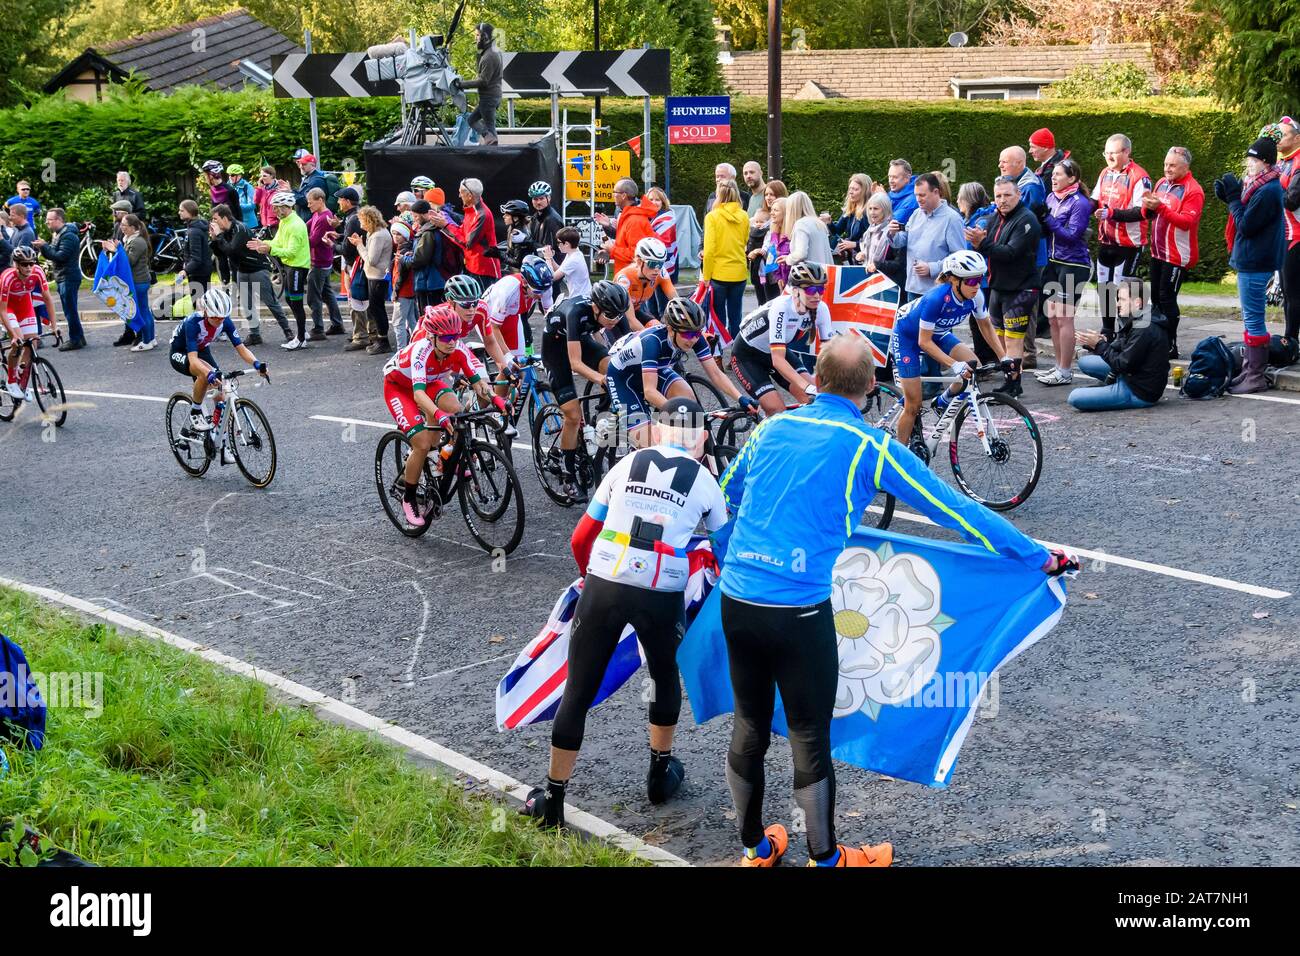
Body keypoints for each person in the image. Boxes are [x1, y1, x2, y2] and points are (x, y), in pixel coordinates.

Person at [717, 332, 1074, 868]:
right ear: (868, 389)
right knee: (809, 732)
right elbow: (952, 509)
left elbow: (726, 496)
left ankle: (754, 849)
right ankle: (827, 858)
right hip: (799, 610)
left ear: (814, 377)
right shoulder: (869, 444)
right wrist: (1036, 555)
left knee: (749, 724)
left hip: (738, 599)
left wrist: (736, 560)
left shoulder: (771, 427)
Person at [521, 397, 730, 829]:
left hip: (607, 581)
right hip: (662, 589)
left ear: (657, 430)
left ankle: (553, 799)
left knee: (578, 689)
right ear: (702, 438)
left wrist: (589, 578)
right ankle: (660, 772)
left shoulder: (627, 463)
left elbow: (582, 536)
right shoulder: (708, 481)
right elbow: (724, 554)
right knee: (664, 676)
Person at [382, 305, 506, 525]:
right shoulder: (421, 351)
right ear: (432, 337)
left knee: (457, 411)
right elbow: (418, 395)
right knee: (421, 443)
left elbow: (478, 383)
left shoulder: (457, 348)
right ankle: (409, 497)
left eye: (455, 336)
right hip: (400, 388)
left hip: (430, 382)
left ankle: (446, 457)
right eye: (446, 337)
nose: (452, 341)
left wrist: (497, 400)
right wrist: (438, 415)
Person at [889, 251, 1007, 448]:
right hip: (908, 337)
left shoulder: (976, 296)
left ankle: (942, 401)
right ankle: (899, 458)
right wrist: (954, 365)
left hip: (938, 332)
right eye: (970, 281)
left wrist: (1004, 357)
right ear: (953, 280)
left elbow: (985, 325)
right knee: (913, 404)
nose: (976, 285)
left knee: (973, 367)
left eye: (979, 279)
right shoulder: (936, 298)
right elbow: (924, 342)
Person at [605, 297, 752, 445]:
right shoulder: (652, 342)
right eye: (687, 334)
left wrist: (740, 398)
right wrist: (677, 412)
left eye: (697, 333)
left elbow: (715, 373)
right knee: (648, 445)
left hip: (655, 370)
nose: (693, 339)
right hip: (623, 378)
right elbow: (649, 391)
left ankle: (673, 442)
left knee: (687, 397)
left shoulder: (695, 337)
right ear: (670, 328)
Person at [539, 281, 637, 500]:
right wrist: (601, 379)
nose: (615, 320)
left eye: (619, 315)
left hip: (580, 340)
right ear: (596, 308)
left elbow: (624, 348)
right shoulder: (576, 312)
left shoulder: (611, 314)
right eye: (611, 315)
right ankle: (568, 472)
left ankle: (601, 414)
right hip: (556, 350)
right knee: (573, 415)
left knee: (614, 367)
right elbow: (574, 363)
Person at [1215, 136, 1285, 394]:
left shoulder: (1268, 190)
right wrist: (1229, 198)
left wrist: (1233, 198)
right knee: (1250, 319)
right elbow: (1244, 216)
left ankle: (1255, 375)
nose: (1249, 164)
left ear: (1265, 162)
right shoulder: (1261, 186)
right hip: (1253, 259)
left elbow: (1246, 225)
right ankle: (1248, 370)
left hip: (1256, 261)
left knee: (1254, 320)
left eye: (1253, 159)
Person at [169, 287, 269, 450]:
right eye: (215, 317)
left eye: (222, 318)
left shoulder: (225, 322)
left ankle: (220, 442)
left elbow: (242, 349)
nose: (218, 321)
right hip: (181, 352)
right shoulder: (193, 323)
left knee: (221, 393)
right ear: (206, 311)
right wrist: (207, 374)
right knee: (205, 375)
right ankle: (195, 411)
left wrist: (257, 364)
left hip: (202, 350)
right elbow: (193, 361)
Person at [968, 176, 1042, 397]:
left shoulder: (1027, 220)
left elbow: (1010, 253)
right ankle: (1009, 380)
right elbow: (989, 251)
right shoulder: (993, 219)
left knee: (1013, 339)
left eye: (1008, 195)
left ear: (1018, 195)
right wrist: (979, 244)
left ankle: (1014, 384)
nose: (1003, 200)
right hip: (998, 286)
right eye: (998, 196)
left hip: (1021, 288)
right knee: (999, 339)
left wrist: (983, 244)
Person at [731, 261, 834, 418]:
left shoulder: (821, 309)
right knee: (776, 409)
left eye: (820, 289)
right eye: (811, 289)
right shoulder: (781, 308)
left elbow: (828, 355)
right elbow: (778, 361)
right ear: (795, 291)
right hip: (747, 356)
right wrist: (806, 385)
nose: (817, 295)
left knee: (814, 400)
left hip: (774, 351)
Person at [1069, 280, 1169, 411]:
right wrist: (1102, 342)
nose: (1117, 304)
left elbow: (1122, 364)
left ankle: (1116, 389)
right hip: (1134, 375)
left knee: (1074, 397)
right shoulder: (1141, 316)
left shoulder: (1143, 328)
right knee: (1084, 362)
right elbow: (1126, 346)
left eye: (1121, 299)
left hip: (1139, 391)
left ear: (1137, 302)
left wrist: (1099, 345)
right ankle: (1112, 385)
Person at [1142, 147, 1204, 359]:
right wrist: (1147, 207)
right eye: (1165, 164)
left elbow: (1187, 222)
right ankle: (1158, 342)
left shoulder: (1193, 190)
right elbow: (1151, 214)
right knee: (1156, 299)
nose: (1167, 169)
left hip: (1178, 254)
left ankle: (1171, 344)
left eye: (1172, 165)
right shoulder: (1161, 183)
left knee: (1167, 298)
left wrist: (1160, 208)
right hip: (1158, 251)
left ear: (1185, 166)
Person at [1035, 159, 1092, 386]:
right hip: (1053, 262)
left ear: (1072, 178)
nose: (1054, 178)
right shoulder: (1050, 198)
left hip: (1074, 264)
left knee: (1064, 318)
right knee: (1052, 318)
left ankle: (1066, 370)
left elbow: (1071, 235)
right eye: (1053, 174)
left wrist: (1047, 218)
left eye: (1059, 174)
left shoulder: (1080, 202)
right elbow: (1047, 232)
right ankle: (1058, 367)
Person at [1092, 134, 1151, 340]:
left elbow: (1141, 211)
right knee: (1104, 289)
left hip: (1128, 244)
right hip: (1105, 241)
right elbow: (1094, 200)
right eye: (1106, 153)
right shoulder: (1105, 173)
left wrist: (1112, 213)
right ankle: (1107, 331)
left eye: (1113, 153)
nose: (1108, 157)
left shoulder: (1139, 176)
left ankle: (1128, 334)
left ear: (1127, 152)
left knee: (1123, 292)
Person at [210, 203, 291, 347]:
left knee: (270, 302)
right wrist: (215, 240)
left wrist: (220, 236)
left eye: (215, 219)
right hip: (242, 270)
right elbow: (220, 254)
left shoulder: (240, 228)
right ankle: (255, 334)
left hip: (257, 269)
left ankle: (288, 331)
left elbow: (232, 250)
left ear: (224, 218)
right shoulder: (225, 232)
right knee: (247, 305)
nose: (213, 222)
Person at [998, 146, 1048, 369]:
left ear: (1019, 163)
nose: (1000, 165)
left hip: (1031, 254)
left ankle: (1027, 352)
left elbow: (1022, 218)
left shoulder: (1031, 186)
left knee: (1026, 303)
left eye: (1004, 162)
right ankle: (1014, 351)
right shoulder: (1014, 182)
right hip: (1018, 253)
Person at [248, 191, 310, 350]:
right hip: (290, 266)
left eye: (276, 208)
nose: (274, 211)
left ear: (286, 207)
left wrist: (269, 248)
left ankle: (301, 338)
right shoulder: (285, 221)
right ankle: (302, 331)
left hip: (297, 267)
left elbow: (291, 252)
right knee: (290, 300)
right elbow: (278, 243)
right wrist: (264, 244)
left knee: (296, 302)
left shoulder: (296, 225)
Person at [891, 172, 967, 301]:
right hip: (913, 287)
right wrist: (892, 234)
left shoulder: (952, 219)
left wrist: (932, 268)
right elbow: (901, 241)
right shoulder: (916, 214)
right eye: (916, 195)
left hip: (938, 291)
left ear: (936, 192)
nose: (918, 199)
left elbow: (959, 257)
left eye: (922, 195)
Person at [2, 247, 56, 400]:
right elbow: (3, 310)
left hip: (25, 306)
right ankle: (11, 381)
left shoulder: (38, 272)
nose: (28, 267)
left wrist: (54, 326)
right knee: (18, 342)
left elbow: (47, 299)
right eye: (24, 264)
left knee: (33, 342)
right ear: (16, 264)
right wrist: (13, 335)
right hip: (8, 308)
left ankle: (22, 381)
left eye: (31, 263)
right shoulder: (7, 277)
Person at [701, 180, 750, 337]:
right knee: (736, 317)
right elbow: (744, 241)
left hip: (718, 274)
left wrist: (706, 277)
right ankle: (737, 356)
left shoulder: (712, 217)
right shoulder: (744, 216)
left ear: (718, 194)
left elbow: (709, 251)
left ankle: (718, 354)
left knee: (718, 319)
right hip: (739, 272)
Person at [33, 208, 85, 351]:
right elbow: (55, 253)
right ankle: (79, 337)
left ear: (58, 220)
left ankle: (75, 339)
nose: (46, 222)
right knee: (70, 309)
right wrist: (45, 247)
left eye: (49, 220)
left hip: (68, 276)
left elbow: (60, 256)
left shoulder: (68, 236)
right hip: (64, 276)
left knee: (70, 310)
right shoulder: (59, 234)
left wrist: (44, 246)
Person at [433, 178, 500, 290]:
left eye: (461, 192)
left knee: (481, 304)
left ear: (470, 196)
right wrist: (447, 223)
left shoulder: (482, 215)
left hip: (483, 269)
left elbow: (467, 243)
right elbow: (462, 232)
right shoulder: (472, 210)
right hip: (472, 265)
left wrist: (445, 225)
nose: (459, 195)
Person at [351, 205, 394, 354]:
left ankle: (383, 341)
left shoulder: (378, 235)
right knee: (376, 309)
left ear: (369, 220)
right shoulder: (374, 233)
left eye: (362, 220)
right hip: (375, 276)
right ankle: (380, 339)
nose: (360, 224)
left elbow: (372, 260)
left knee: (378, 309)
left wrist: (359, 246)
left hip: (378, 277)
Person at [304, 188, 344, 340]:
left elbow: (313, 241)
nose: (308, 206)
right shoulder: (317, 214)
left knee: (313, 297)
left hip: (319, 261)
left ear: (320, 200)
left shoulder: (323, 218)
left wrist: (297, 240)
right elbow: (304, 227)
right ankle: (337, 324)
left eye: (310, 202)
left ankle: (318, 329)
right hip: (324, 260)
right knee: (327, 294)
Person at [116, 215, 155, 352]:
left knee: (142, 312)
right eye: (121, 224)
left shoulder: (137, 242)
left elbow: (130, 261)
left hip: (139, 282)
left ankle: (146, 341)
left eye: (124, 225)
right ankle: (151, 338)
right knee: (145, 311)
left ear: (133, 228)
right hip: (140, 281)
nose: (121, 227)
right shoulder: (132, 239)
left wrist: (118, 249)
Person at [599, 179, 655, 273]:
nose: (613, 195)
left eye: (615, 192)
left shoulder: (635, 220)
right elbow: (623, 246)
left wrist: (612, 249)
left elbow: (636, 254)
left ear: (624, 195)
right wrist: (608, 252)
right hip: (626, 275)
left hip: (632, 279)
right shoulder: (627, 216)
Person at [1277, 118, 1300, 345]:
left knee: (1292, 292)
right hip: (1284, 234)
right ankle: (1290, 339)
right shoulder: (1283, 161)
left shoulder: (1298, 162)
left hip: (1297, 235)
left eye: (1283, 135)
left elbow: (1292, 200)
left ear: (1297, 138)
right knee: (1287, 291)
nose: (1278, 139)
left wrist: (1270, 191)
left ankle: (1290, 341)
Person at [616, 236, 674, 324]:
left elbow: (676, 300)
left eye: (660, 264)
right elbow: (631, 321)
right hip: (616, 316)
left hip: (636, 311)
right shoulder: (625, 279)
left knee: (657, 328)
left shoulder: (661, 273)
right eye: (652, 264)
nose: (656, 269)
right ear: (639, 262)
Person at [464, 23, 504, 146]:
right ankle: (489, 139)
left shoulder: (489, 56)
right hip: (493, 96)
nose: (475, 39)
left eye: (477, 35)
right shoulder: (493, 51)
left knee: (490, 130)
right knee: (471, 120)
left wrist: (461, 84)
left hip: (489, 98)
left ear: (485, 37)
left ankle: (494, 154)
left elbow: (483, 81)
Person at [748, 180, 788, 303]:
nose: (768, 198)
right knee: (763, 301)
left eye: (772, 194)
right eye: (766, 194)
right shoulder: (760, 214)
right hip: (762, 265)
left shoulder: (785, 219)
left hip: (778, 265)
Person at [406, 197, 447, 313]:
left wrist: (405, 259)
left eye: (416, 216)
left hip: (429, 283)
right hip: (437, 280)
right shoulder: (434, 229)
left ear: (424, 215)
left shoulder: (428, 232)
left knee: (429, 319)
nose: (415, 219)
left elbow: (420, 260)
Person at [857, 191, 904, 289]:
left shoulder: (893, 230)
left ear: (885, 210)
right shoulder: (869, 231)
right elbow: (865, 255)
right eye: (870, 209)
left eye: (876, 209)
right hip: (869, 282)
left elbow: (899, 264)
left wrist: (878, 265)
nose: (872, 212)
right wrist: (859, 256)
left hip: (889, 285)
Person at [824, 173, 872, 264]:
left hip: (865, 260)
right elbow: (837, 231)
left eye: (855, 189)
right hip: (852, 259)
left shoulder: (869, 213)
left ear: (865, 191)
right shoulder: (850, 210)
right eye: (850, 188)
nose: (851, 192)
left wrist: (854, 244)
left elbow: (875, 240)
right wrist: (829, 222)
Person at [782, 190, 833, 269]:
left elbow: (801, 254)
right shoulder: (819, 223)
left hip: (811, 275)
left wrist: (788, 259)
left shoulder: (801, 224)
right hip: (825, 273)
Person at [541, 226, 590, 300]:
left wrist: (547, 258)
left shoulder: (574, 259)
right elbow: (560, 269)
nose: (558, 246)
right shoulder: (573, 253)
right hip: (580, 296)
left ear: (566, 244)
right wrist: (551, 258)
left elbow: (551, 278)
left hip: (581, 299)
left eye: (558, 243)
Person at [177, 199, 212, 299]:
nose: (179, 212)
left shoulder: (194, 231)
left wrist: (185, 271)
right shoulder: (194, 227)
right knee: (202, 302)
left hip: (199, 273)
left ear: (190, 212)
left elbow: (196, 258)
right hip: (199, 271)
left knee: (199, 303)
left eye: (182, 210)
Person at [282, 152, 328, 222]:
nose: (300, 166)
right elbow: (303, 196)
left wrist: (291, 192)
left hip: (312, 220)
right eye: (300, 164)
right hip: (308, 219)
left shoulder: (316, 181)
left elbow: (306, 201)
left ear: (312, 166)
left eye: (304, 164)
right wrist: (290, 191)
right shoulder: (309, 178)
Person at [646, 187, 678, 284]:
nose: (654, 202)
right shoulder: (646, 216)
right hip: (648, 263)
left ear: (663, 202)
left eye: (657, 200)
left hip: (664, 264)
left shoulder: (668, 218)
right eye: (651, 199)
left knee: (662, 297)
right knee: (649, 297)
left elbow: (664, 244)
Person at [761, 195, 792, 292]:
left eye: (776, 210)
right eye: (772, 210)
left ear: (785, 212)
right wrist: (778, 277)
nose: (772, 213)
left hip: (793, 280)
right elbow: (773, 257)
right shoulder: (774, 234)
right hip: (778, 279)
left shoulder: (792, 234)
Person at [200, 161, 243, 226]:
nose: (205, 178)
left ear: (212, 175)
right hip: (219, 228)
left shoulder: (230, 190)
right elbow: (214, 210)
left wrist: (240, 229)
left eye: (205, 175)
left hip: (232, 228)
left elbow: (238, 212)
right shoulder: (212, 189)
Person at [526, 181, 564, 253]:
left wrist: (527, 243)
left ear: (548, 198)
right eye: (535, 199)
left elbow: (550, 249)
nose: (538, 202)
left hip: (553, 261)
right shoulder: (536, 216)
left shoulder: (552, 219)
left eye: (541, 198)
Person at [1028, 128, 1069, 194]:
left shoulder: (1052, 171)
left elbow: (1041, 197)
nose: (1030, 151)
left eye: (1033, 147)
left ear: (1045, 147)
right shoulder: (1054, 163)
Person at [226, 165, 260, 231]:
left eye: (232, 175)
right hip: (235, 224)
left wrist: (237, 206)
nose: (230, 177)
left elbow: (252, 205)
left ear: (239, 175)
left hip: (249, 225)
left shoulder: (248, 187)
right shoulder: (228, 187)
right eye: (229, 175)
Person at [886, 159, 918, 224]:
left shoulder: (913, 200)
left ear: (907, 178)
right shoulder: (892, 194)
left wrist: (883, 200)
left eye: (895, 177)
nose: (890, 181)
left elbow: (891, 223)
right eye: (889, 177)